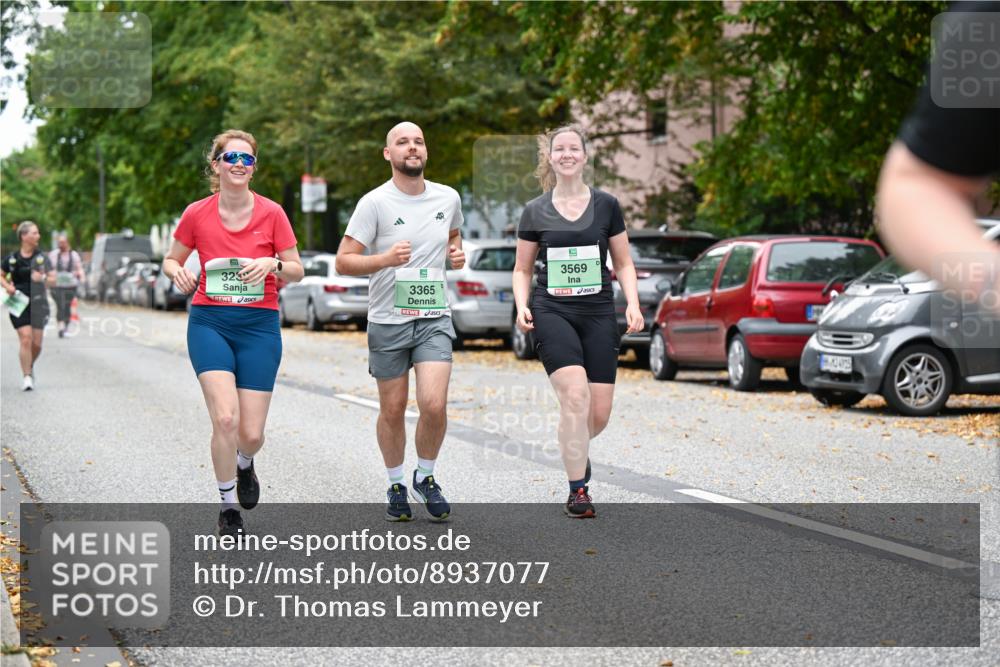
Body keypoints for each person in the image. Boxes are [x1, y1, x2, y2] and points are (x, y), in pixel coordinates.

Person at [161, 129, 303, 536]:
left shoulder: (273, 213)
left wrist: (273, 265)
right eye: (232, 158)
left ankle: (245, 463)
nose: (239, 165)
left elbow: (296, 268)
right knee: (225, 418)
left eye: (247, 160)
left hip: (259, 327)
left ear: (253, 168)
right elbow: (171, 260)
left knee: (251, 434)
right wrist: (179, 273)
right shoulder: (196, 213)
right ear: (216, 165)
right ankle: (228, 507)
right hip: (210, 323)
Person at [336, 121, 465, 522]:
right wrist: (384, 259)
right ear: (387, 154)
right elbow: (343, 261)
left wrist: (455, 254)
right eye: (402, 142)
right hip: (388, 319)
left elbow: (453, 237)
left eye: (419, 141)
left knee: (434, 403)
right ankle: (395, 483)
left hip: (433, 316)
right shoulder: (374, 203)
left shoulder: (448, 197)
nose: (412, 147)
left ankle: (424, 476)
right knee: (392, 410)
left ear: (426, 152)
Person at [512, 125, 644, 518]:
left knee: (597, 414)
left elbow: (623, 262)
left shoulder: (606, 205)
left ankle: (576, 448)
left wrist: (632, 304)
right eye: (560, 149)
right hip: (552, 310)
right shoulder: (535, 210)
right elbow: (522, 269)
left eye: (574, 148)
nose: (567, 154)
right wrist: (522, 305)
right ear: (550, 158)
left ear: (585, 157)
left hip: (599, 312)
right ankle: (577, 490)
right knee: (575, 397)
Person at [2, 221, 55, 391]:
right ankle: (26, 377)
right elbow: (1, 275)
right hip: (18, 302)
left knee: (37, 344)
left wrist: (44, 279)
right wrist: (7, 286)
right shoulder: (11, 259)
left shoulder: (42, 258)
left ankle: (29, 365)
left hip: (39, 303)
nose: (38, 236)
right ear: (24, 236)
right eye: (34, 233)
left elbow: (54, 279)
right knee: (26, 338)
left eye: (38, 233)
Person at [48, 233, 85, 337]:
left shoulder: (74, 255)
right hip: (56, 285)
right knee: (60, 305)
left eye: (63, 242)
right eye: (59, 242)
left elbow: (79, 268)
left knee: (67, 305)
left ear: (67, 243)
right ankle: (61, 326)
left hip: (70, 286)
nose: (61, 244)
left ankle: (66, 324)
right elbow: (48, 268)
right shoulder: (53, 254)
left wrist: (82, 277)